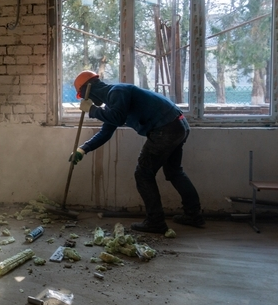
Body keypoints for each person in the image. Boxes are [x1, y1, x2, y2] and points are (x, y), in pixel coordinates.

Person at [69, 71, 204, 233]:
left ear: (88, 89)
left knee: (143, 173)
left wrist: (92, 110)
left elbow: (117, 118)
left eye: (83, 96)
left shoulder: (117, 92)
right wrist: (82, 149)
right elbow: (106, 132)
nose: (86, 100)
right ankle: (193, 215)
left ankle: (155, 222)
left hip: (165, 129)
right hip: (177, 126)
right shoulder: (114, 101)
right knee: (174, 172)